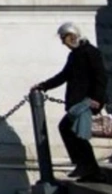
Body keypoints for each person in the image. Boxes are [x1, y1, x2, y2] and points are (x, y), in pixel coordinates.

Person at [34, 22, 108, 183]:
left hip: (87, 102)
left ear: (72, 36)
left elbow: (101, 76)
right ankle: (89, 169)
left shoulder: (90, 52)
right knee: (74, 132)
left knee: (71, 130)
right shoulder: (75, 55)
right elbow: (64, 75)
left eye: (64, 38)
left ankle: (87, 167)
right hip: (78, 102)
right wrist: (44, 86)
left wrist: (97, 98)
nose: (63, 42)